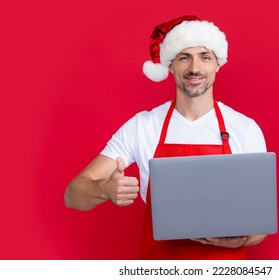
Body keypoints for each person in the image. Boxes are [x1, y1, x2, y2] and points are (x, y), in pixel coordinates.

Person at [64, 15, 268, 260]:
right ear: (170, 65)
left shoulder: (244, 128)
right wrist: (104, 189)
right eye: (184, 57)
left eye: (205, 57)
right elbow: (72, 196)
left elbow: (261, 223)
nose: (194, 68)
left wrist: (241, 240)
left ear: (217, 64)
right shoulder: (143, 126)